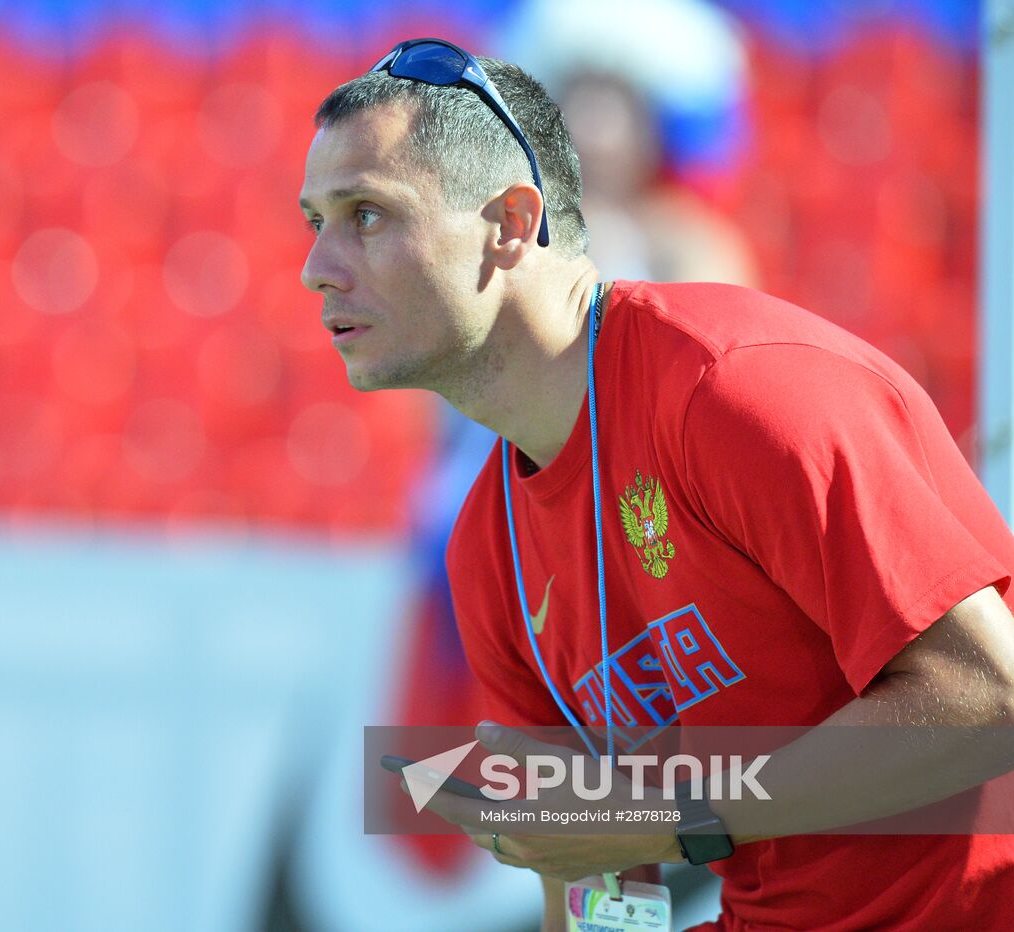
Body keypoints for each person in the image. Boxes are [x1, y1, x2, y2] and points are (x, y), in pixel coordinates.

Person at [297, 38, 1014, 931]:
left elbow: (992, 697)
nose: (317, 265)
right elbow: (605, 879)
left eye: (366, 214)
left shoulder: (733, 386)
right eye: (314, 221)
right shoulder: (488, 547)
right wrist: (611, 846)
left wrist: (669, 820)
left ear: (512, 224)